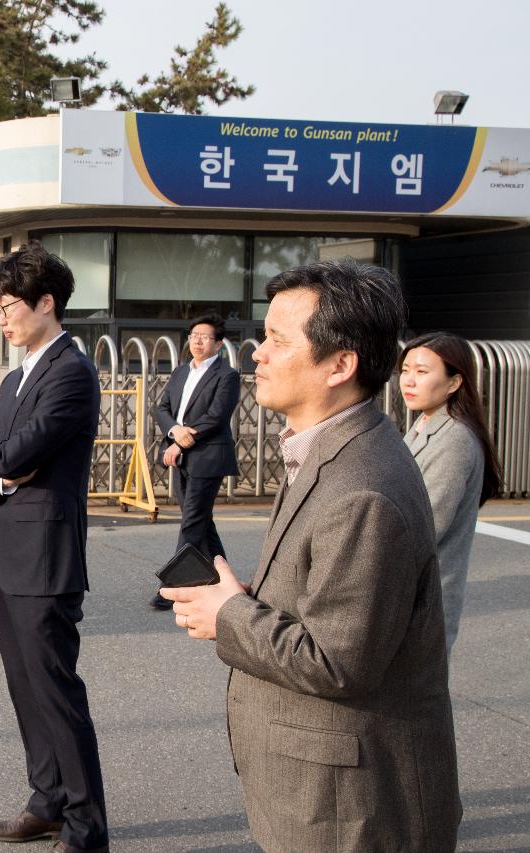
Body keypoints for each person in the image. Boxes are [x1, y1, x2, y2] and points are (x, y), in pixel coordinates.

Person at [160, 260, 461, 852]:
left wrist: (230, 616)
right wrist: (246, 600)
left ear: (340, 364)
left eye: (276, 340)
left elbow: (337, 661)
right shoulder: (334, 449)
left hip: (349, 811)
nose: (256, 354)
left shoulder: (363, 489)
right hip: (318, 788)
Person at [0, 243, 110, 853]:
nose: (1, 320)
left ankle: (86, 828)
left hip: (48, 558)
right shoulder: (15, 375)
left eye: (7, 308)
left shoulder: (72, 372)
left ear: (46, 303)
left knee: (55, 692)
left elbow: (21, 450)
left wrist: (0, 460)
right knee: (24, 686)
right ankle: (46, 801)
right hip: (10, 550)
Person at [399, 331, 502, 656]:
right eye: (405, 370)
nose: (409, 381)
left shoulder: (455, 438)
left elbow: (427, 523)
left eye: (422, 371)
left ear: (455, 382)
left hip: (424, 602)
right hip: (408, 595)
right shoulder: (424, 425)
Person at [151, 312, 239, 610]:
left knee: (191, 520)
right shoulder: (180, 372)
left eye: (205, 337)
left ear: (218, 343)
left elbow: (216, 416)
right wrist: (174, 433)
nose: (198, 342)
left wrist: (184, 439)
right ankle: (227, 582)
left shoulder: (226, 375)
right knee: (202, 521)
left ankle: (171, 586)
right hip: (182, 455)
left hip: (209, 456)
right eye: (194, 336)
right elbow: (161, 408)